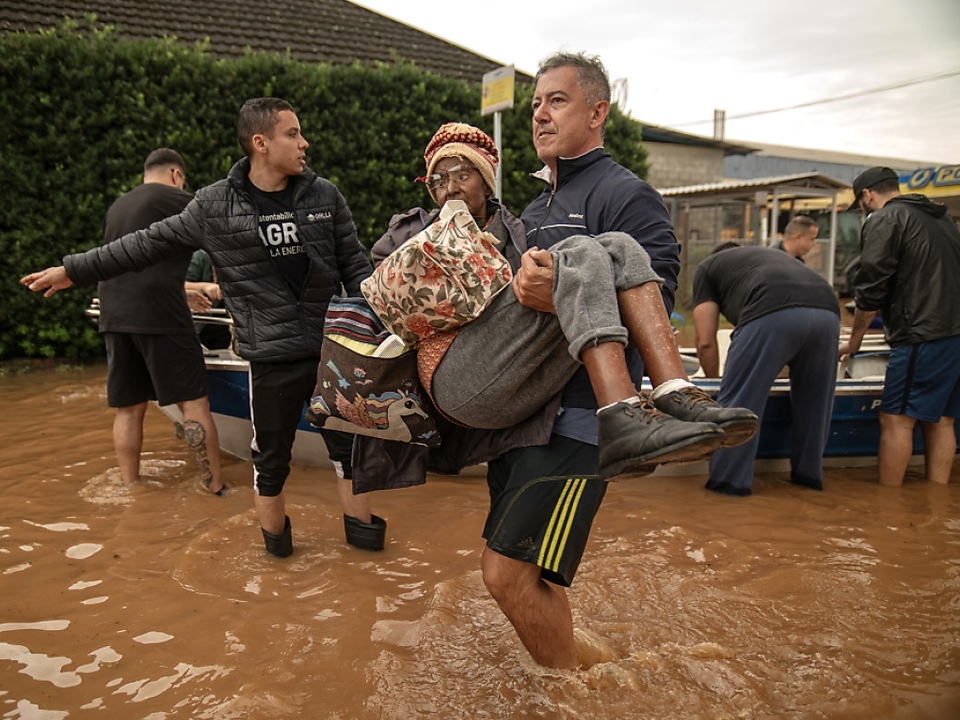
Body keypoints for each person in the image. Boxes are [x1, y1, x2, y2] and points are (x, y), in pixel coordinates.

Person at [462, 51, 759, 670]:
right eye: (537, 102)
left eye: (558, 101)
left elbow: (654, 297)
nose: (540, 114)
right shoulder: (537, 206)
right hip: (524, 413)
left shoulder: (625, 194)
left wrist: (558, 296)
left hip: (577, 420)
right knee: (525, 570)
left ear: (597, 112)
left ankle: (575, 693)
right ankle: (586, 666)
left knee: (503, 573)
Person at [21, 97, 385, 557]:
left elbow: (354, 265)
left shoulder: (324, 195)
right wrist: (74, 270)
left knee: (351, 456)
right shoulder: (213, 205)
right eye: (292, 134)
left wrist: (382, 324)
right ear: (261, 143)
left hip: (333, 351)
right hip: (270, 359)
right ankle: (279, 563)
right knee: (270, 464)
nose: (303, 142)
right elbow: (141, 245)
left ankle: (367, 558)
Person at [370, 122, 759, 480]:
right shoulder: (415, 228)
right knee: (581, 252)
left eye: (462, 175)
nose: (450, 188)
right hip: (451, 373)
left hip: (512, 376)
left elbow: (532, 315)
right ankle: (618, 413)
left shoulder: (517, 232)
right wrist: (444, 255)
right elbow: (380, 298)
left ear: (487, 183)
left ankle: (672, 388)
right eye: (438, 180)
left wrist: (545, 288)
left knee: (621, 247)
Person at [92, 148, 225, 495]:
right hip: (160, 314)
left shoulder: (118, 206)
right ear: (176, 175)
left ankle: (131, 485)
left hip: (114, 313)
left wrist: (182, 289)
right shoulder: (177, 199)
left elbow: (129, 267)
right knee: (193, 401)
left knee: (128, 407)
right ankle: (215, 488)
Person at [839, 166, 960, 487]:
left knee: (895, 419)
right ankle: (936, 498)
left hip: (922, 332)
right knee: (941, 420)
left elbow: (872, 284)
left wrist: (854, 341)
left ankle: (888, 505)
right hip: (955, 333)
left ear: (867, 195)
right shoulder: (941, 218)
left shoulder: (884, 219)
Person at [692, 243, 841, 496]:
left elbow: (705, 342)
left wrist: (714, 384)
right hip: (828, 311)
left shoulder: (707, 268)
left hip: (772, 307)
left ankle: (729, 485)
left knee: (739, 404)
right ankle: (809, 479)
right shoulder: (769, 259)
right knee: (815, 404)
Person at [184, 249, 233, 350]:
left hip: (222, 328)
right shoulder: (199, 257)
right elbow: (179, 285)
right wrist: (204, 287)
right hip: (197, 326)